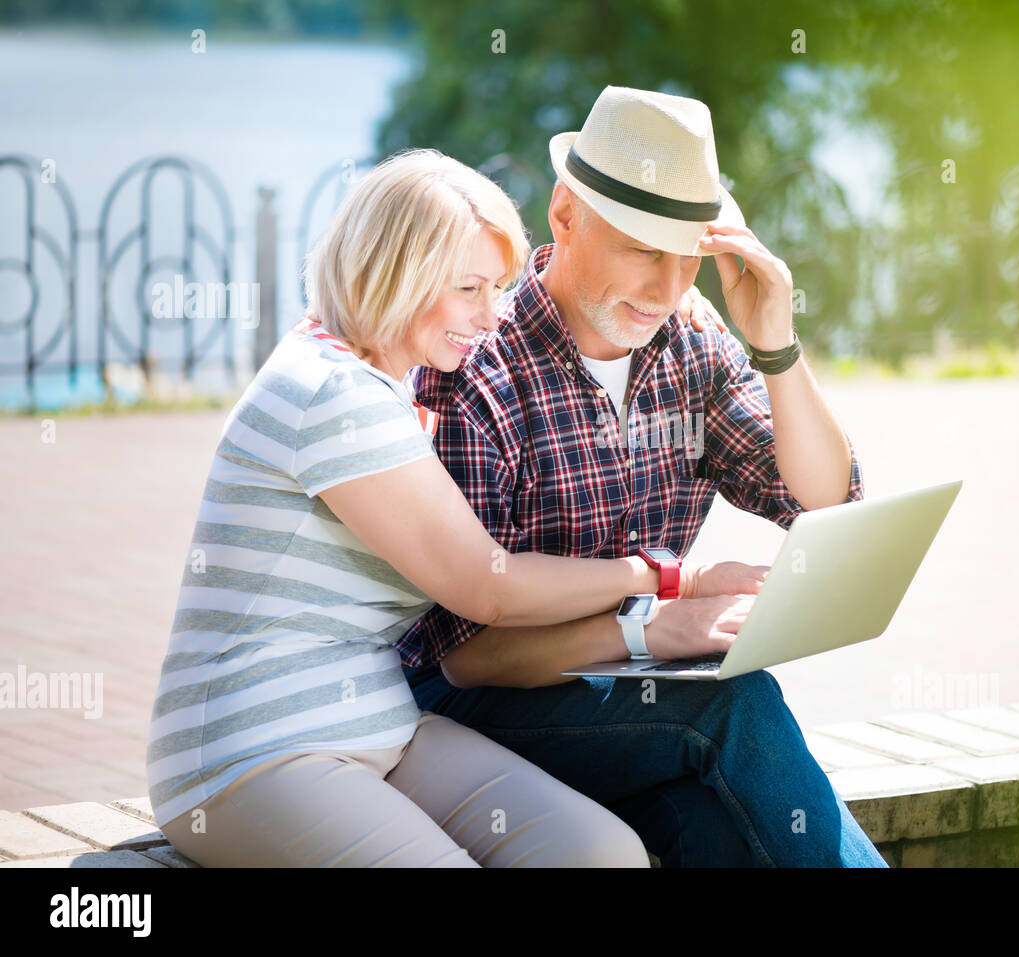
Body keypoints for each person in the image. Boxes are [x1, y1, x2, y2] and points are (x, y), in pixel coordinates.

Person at [144, 148, 762, 867]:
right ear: (393, 275)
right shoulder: (330, 393)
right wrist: (665, 579)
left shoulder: (384, 385)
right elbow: (486, 585)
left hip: (378, 723)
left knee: (600, 853)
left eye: (497, 287)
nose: (491, 315)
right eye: (469, 288)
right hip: (247, 748)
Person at [399, 86, 890, 866]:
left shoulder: (693, 343)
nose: (667, 288)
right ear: (565, 216)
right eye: (643, 249)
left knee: (707, 824)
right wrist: (653, 628)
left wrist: (779, 347)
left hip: (626, 689)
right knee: (730, 702)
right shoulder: (481, 370)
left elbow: (822, 501)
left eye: (689, 254)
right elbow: (467, 651)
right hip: (477, 704)